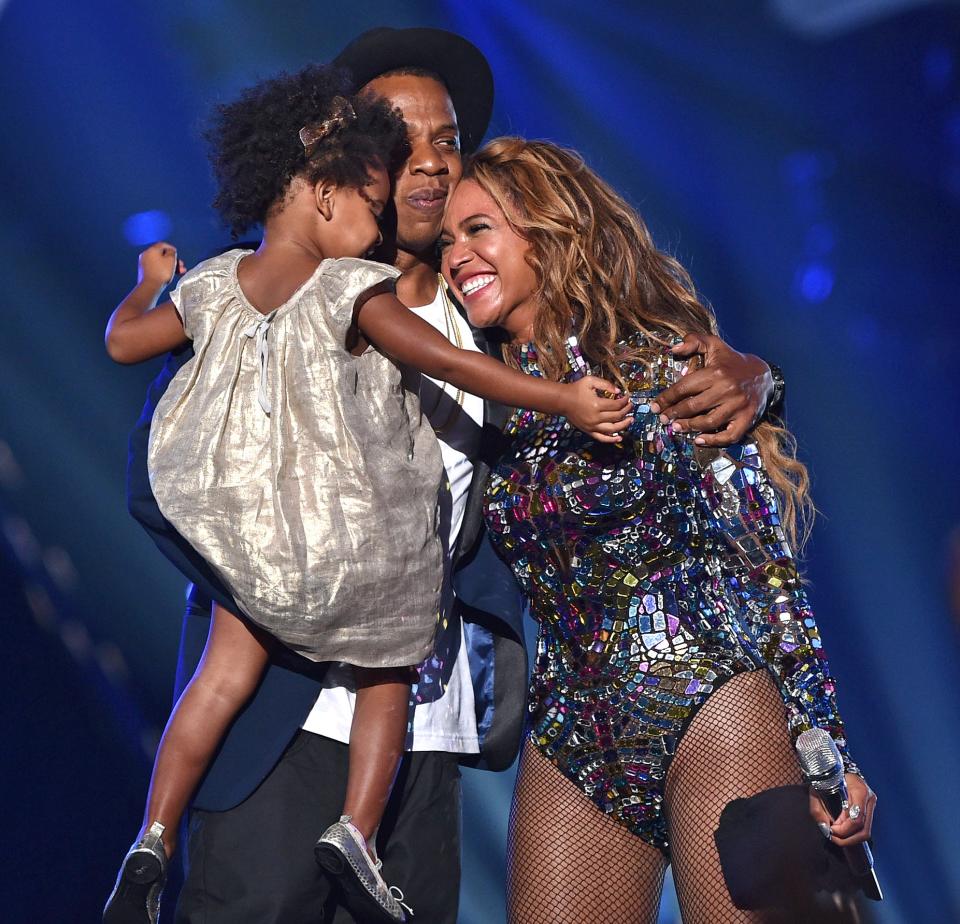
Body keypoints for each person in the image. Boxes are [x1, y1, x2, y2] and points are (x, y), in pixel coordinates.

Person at [124, 28, 782, 924]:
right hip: (281, 726)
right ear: (345, 160)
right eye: (403, 141)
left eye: (448, 142)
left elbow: (652, 375)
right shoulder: (269, 303)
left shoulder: (498, 332)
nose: (430, 164)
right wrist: (269, 598)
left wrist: (761, 376)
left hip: (421, 742)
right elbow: (162, 471)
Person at [438, 137, 878, 924]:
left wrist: (822, 741)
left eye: (479, 229)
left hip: (713, 702)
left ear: (548, 231)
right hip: (572, 732)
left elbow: (763, 563)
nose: (457, 256)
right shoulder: (485, 410)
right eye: (446, 241)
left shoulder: (661, 371)